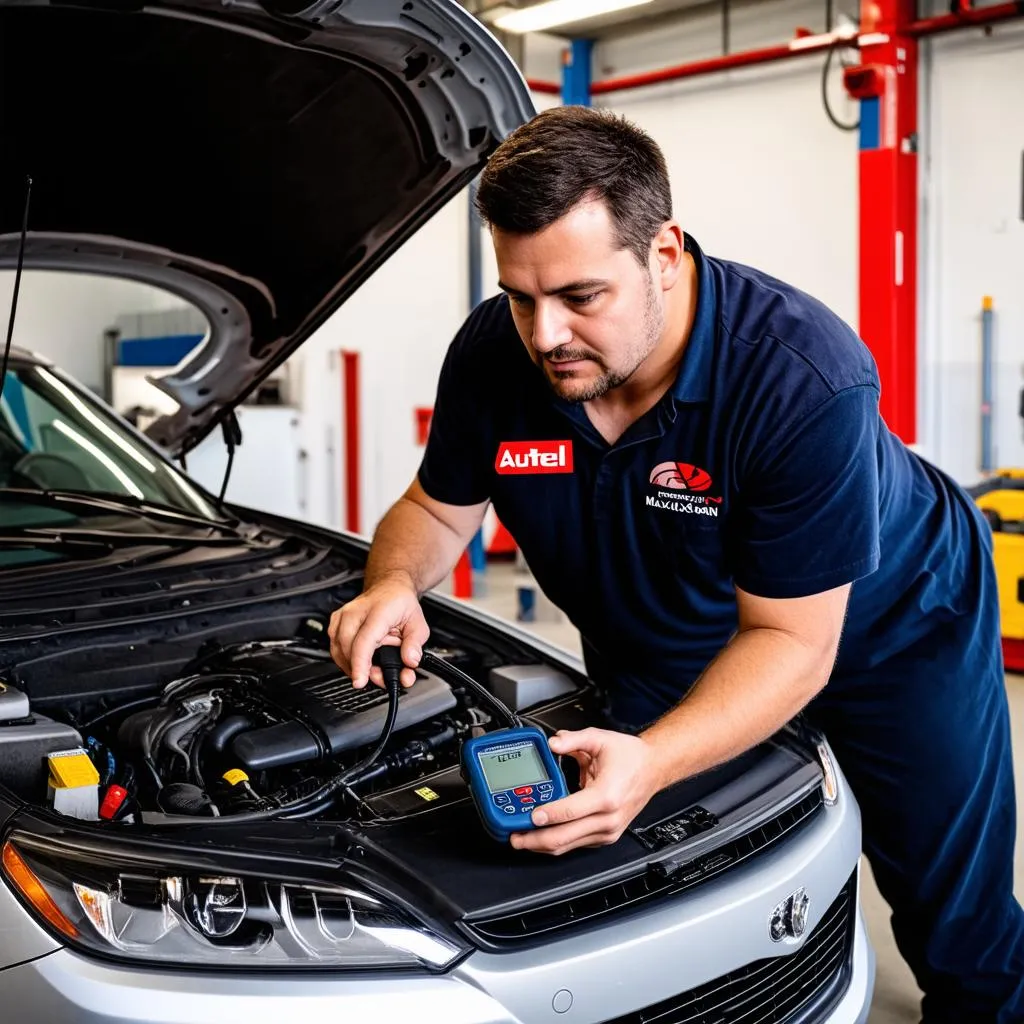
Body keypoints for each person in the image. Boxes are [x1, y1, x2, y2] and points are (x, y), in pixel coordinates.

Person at [328, 105, 1024, 1022]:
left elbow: (790, 639)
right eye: (520, 296)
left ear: (663, 252)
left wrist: (654, 757)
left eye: (581, 297)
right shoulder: (498, 356)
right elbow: (434, 508)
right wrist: (392, 581)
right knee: (642, 862)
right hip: (666, 625)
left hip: (894, 620)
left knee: (948, 891)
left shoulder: (800, 377)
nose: (545, 336)